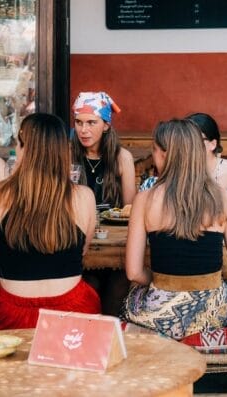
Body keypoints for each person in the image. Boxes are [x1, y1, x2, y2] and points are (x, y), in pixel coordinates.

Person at [122, 119, 227, 340]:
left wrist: (163, 285)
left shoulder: (144, 200)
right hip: (211, 315)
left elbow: (134, 272)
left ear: (166, 154)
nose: (153, 156)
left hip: (160, 318)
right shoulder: (221, 198)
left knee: (130, 296)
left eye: (154, 151)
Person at [0, 113, 101, 330]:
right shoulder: (84, 196)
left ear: (24, 149)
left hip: (11, 315)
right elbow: (80, 253)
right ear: (63, 151)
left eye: (18, 144)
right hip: (72, 313)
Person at [71, 91, 136, 315]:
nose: (83, 130)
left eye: (91, 122)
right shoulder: (67, 155)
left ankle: (109, 338)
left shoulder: (121, 157)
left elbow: (130, 208)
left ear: (106, 125)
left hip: (113, 242)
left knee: (119, 284)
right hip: (78, 240)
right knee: (89, 283)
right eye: (78, 122)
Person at [140, 112, 227, 217]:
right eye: (186, 140)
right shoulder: (176, 170)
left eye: (196, 139)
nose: (190, 144)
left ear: (213, 144)